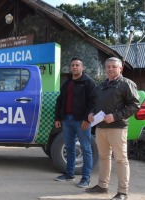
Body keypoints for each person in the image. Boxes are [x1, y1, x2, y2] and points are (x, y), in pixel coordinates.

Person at [86, 57, 140, 200]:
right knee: (104, 158)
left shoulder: (126, 84)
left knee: (121, 160)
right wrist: (91, 113)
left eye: (113, 67)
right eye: (108, 66)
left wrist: (115, 116)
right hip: (100, 127)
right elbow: (95, 103)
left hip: (117, 128)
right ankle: (102, 186)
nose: (110, 69)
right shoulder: (101, 85)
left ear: (120, 68)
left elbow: (135, 105)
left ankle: (123, 192)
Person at [54, 57, 96, 188]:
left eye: (77, 65)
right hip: (67, 120)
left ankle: (86, 178)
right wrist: (58, 118)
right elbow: (60, 101)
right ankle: (69, 174)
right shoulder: (67, 83)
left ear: (82, 67)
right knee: (70, 148)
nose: (75, 67)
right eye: (72, 65)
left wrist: (86, 119)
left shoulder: (88, 82)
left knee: (86, 149)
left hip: (81, 121)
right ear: (70, 67)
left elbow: (93, 102)